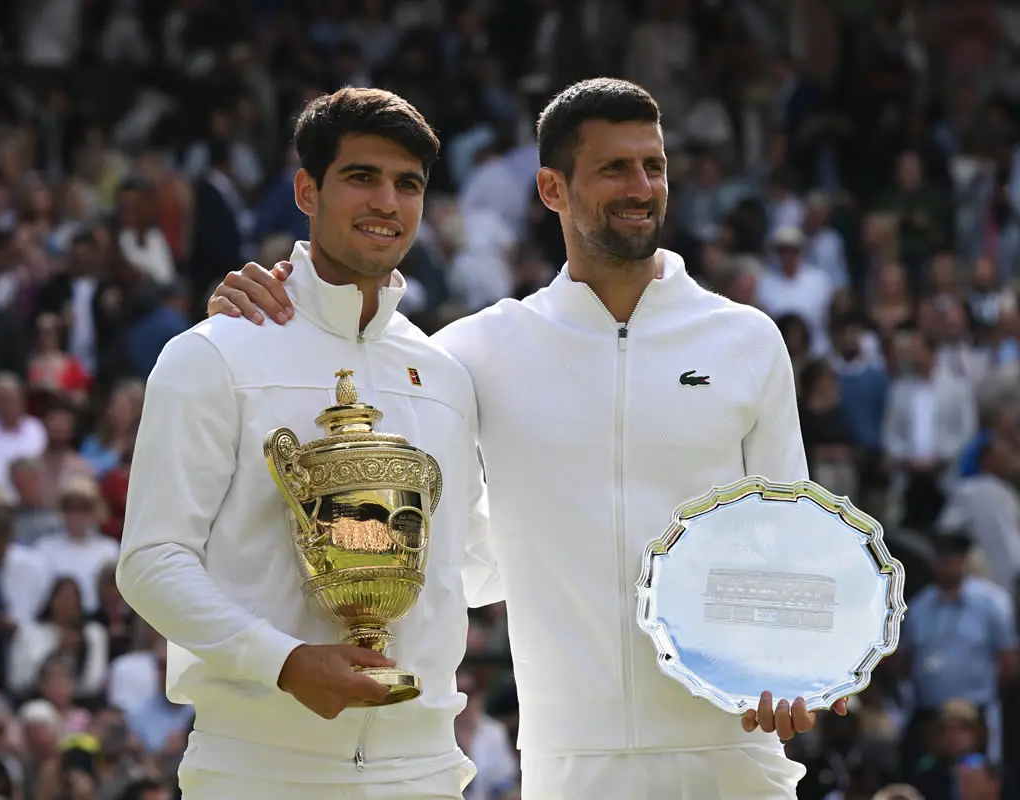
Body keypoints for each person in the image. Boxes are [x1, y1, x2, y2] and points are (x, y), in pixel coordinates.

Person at [206, 77, 848, 798]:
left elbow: (795, 538)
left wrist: (800, 664)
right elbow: (351, 366)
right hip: (570, 764)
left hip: (736, 752)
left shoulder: (747, 340)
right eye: (614, 168)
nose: (641, 188)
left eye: (654, 166)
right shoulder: (475, 350)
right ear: (551, 189)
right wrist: (267, 306)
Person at [116, 87, 498, 799]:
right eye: (362, 177)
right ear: (306, 191)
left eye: (408, 184)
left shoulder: (445, 375)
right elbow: (151, 563)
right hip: (257, 767)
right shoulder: (214, 353)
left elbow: (468, 568)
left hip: (424, 769)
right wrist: (286, 663)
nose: (387, 202)